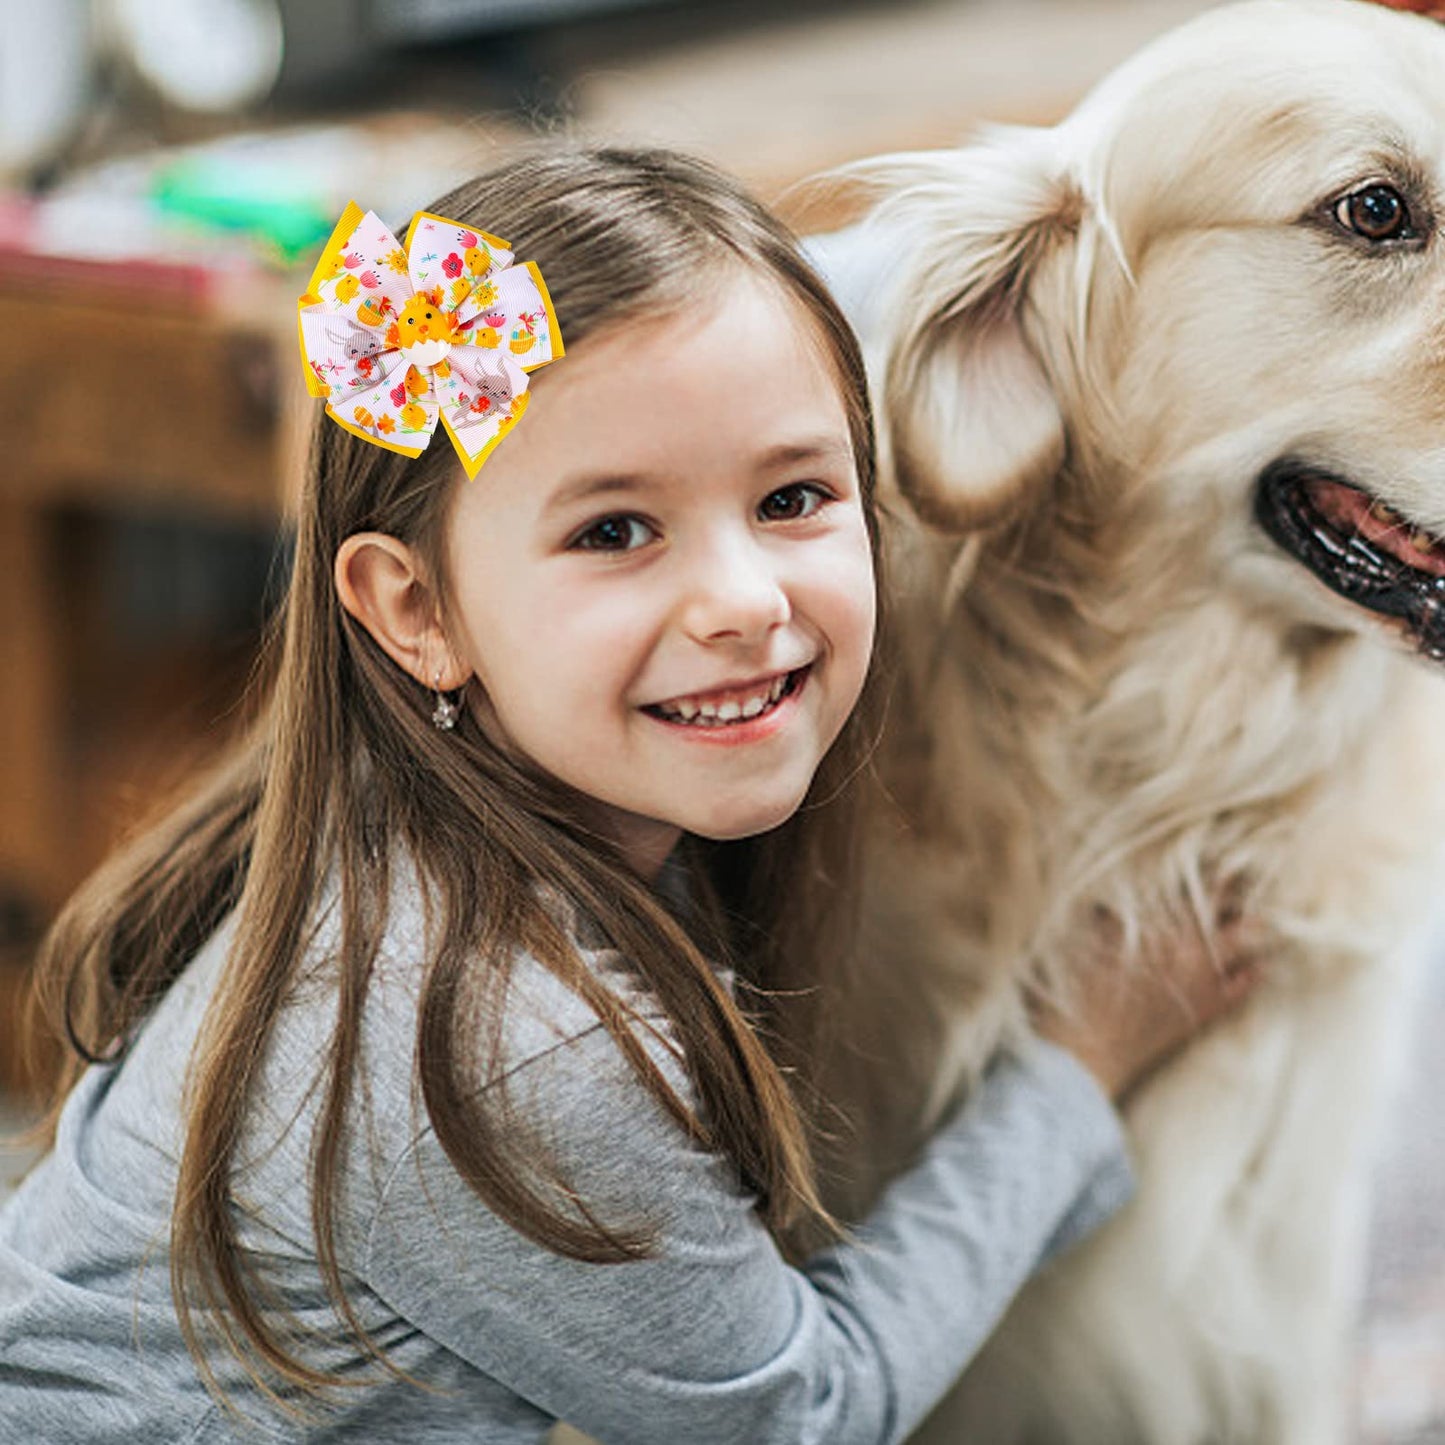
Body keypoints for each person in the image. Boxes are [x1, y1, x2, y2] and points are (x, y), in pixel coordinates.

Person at [0, 145, 1258, 1444]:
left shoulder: (394, 804)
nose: (742, 602)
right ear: (417, 611)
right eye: (614, 531)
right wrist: (1074, 1069)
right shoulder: (502, 1044)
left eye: (791, 497)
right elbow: (796, 1416)